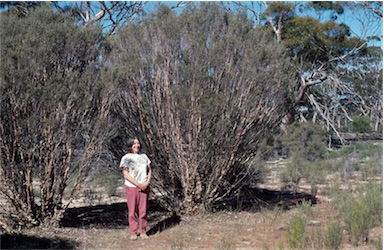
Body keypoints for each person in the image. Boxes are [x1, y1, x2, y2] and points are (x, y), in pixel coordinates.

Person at [119, 137, 152, 240]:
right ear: (130, 145)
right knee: (132, 211)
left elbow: (149, 170)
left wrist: (146, 182)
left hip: (144, 186)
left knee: (143, 210)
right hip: (132, 187)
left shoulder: (144, 156)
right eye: (134, 143)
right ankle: (133, 232)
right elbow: (126, 174)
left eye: (138, 143)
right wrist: (138, 184)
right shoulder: (126, 158)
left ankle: (143, 231)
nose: (137, 145)